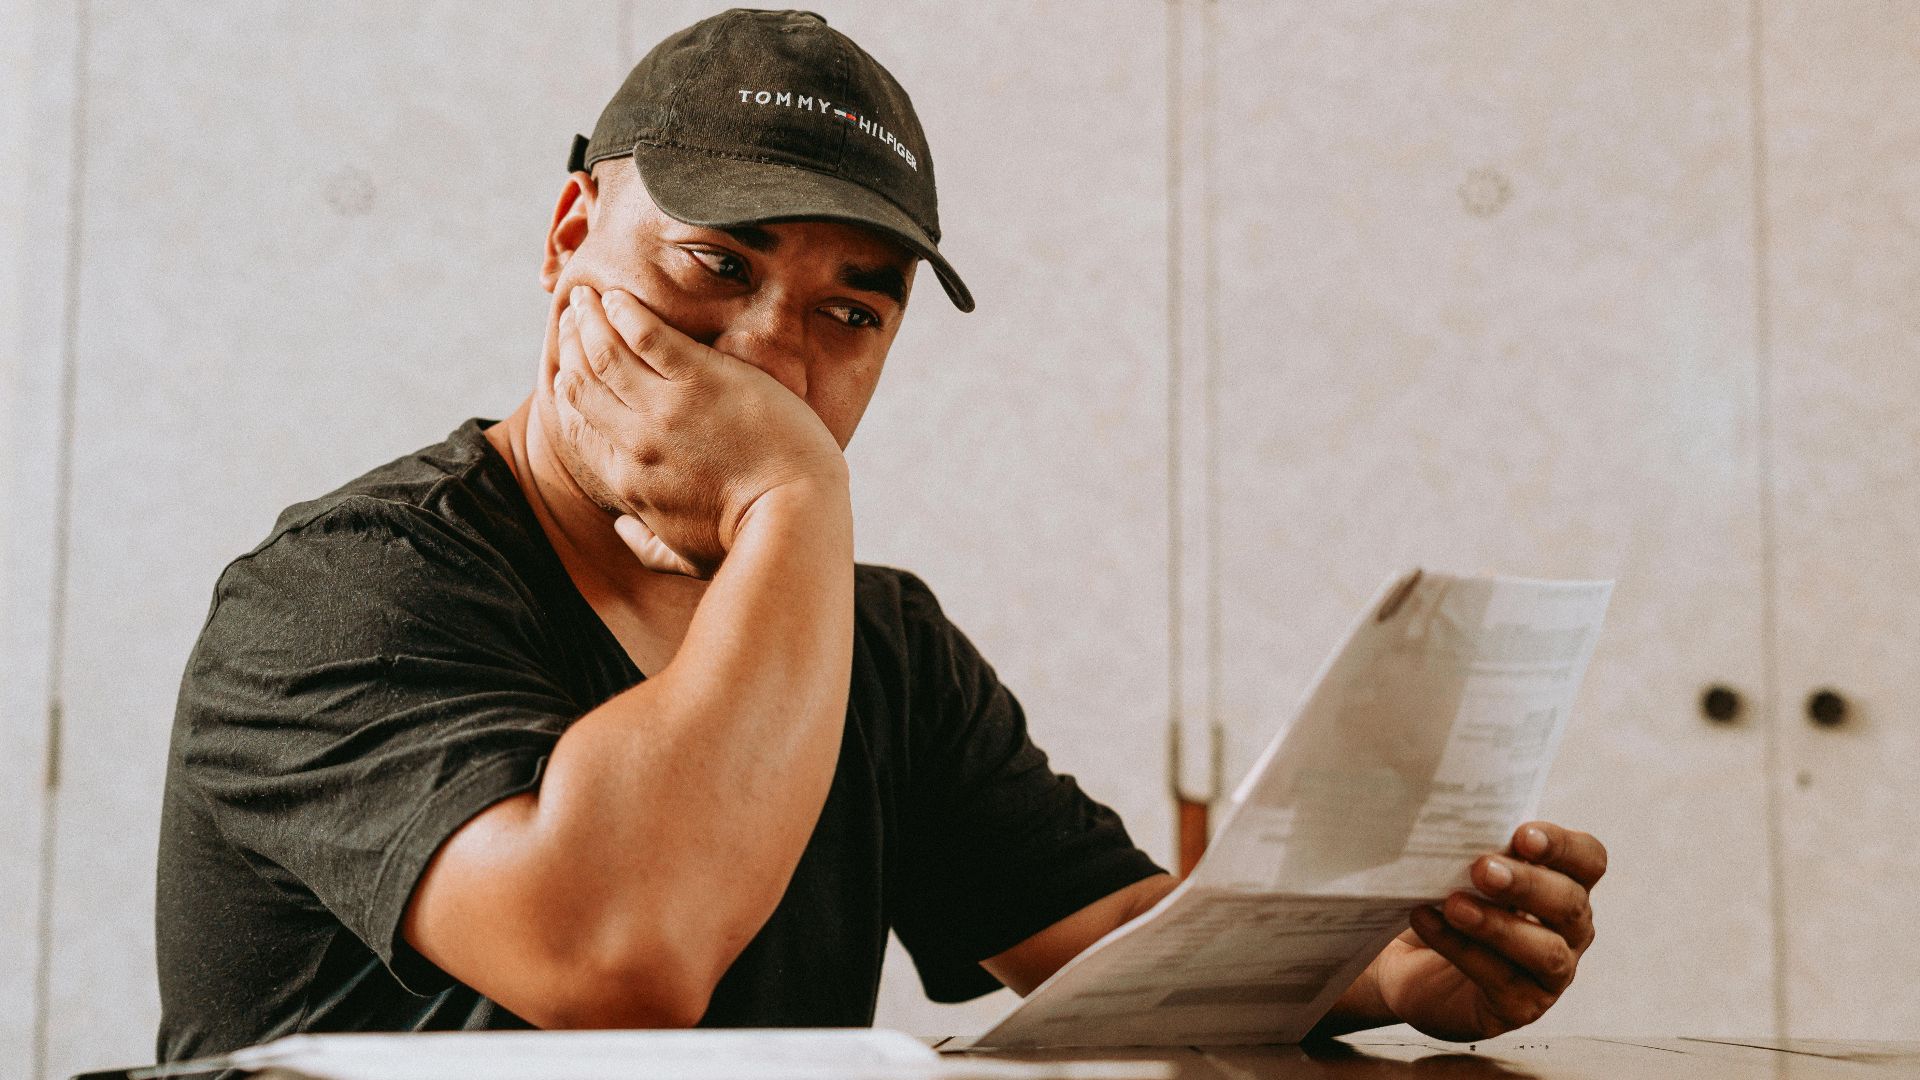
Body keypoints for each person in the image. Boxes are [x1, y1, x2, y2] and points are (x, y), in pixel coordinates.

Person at [155, 7, 1607, 1062]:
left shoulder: (877, 643)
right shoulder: (345, 590)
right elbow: (611, 957)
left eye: (852, 314)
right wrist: (793, 497)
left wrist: (1383, 970)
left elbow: (1123, 955)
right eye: (714, 265)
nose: (770, 365)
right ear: (565, 237)